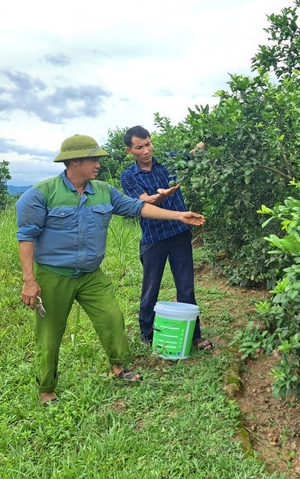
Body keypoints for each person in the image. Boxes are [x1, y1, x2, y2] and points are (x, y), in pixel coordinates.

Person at [16, 134, 205, 406]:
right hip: (54, 276)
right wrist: (29, 281)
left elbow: (138, 208)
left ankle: (118, 368)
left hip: (91, 274)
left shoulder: (103, 191)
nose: (98, 164)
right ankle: (46, 389)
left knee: (112, 318)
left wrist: (179, 215)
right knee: (49, 332)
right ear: (75, 161)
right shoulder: (41, 194)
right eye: (93, 159)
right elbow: (26, 237)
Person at [119, 125, 213, 351]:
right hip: (153, 238)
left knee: (186, 286)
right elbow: (144, 204)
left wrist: (212, 135)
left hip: (180, 233)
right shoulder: (128, 176)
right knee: (151, 286)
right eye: (139, 147)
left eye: (148, 144)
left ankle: (194, 334)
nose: (146, 151)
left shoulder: (169, 162)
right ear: (129, 151)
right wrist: (162, 196)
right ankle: (147, 333)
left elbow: (193, 153)